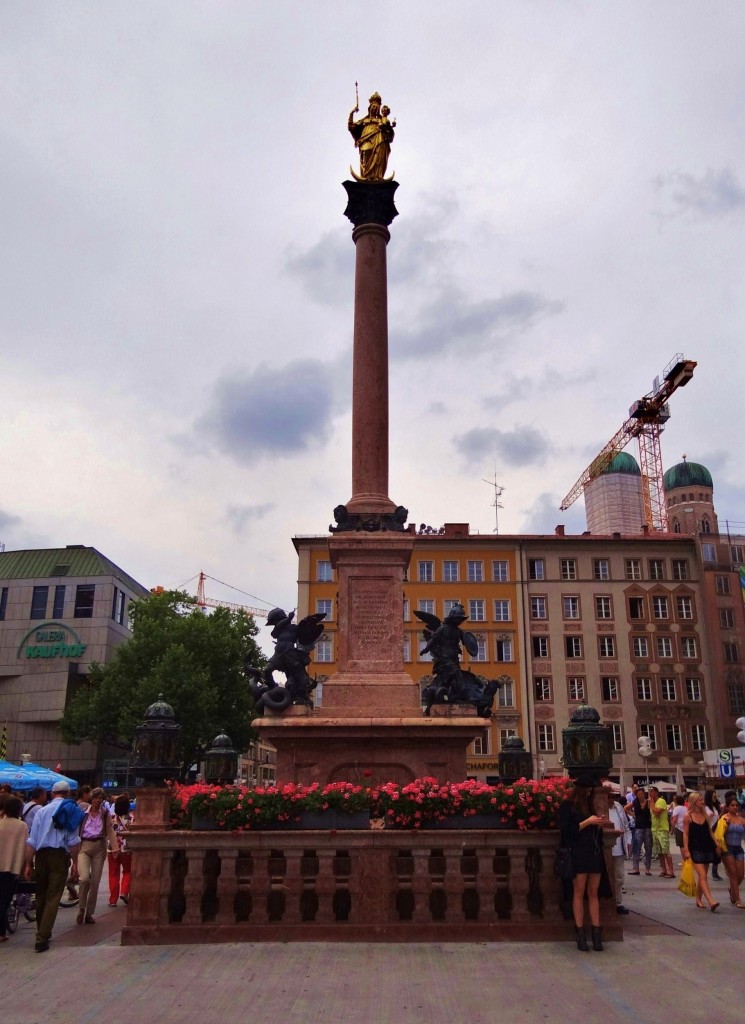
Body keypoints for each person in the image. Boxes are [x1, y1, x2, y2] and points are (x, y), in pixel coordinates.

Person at [25, 780, 81, 952]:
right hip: (58, 855)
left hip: (41, 856)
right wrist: (76, 863)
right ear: (68, 793)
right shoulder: (71, 810)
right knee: (53, 896)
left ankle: (42, 931)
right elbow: (72, 841)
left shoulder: (41, 811)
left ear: (52, 793)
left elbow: (32, 840)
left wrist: (28, 863)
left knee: (41, 894)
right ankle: (42, 936)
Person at [559, 781, 609, 951]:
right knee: (579, 892)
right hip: (578, 853)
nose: (589, 792)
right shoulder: (567, 806)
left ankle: (596, 934)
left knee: (593, 893)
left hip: (593, 852)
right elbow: (568, 832)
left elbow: (597, 835)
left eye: (591, 790)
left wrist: (598, 824)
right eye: (587, 789)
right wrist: (588, 822)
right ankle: (580, 934)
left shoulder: (590, 806)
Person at [76, 787, 118, 925]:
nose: (98, 800)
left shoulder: (105, 813)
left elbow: (110, 830)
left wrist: (115, 847)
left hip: (99, 847)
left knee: (95, 882)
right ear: (91, 798)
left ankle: (89, 913)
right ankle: (81, 908)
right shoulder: (83, 813)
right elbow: (76, 830)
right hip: (84, 846)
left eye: (100, 798)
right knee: (84, 879)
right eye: (95, 797)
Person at [682, 790, 719, 912]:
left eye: (702, 799)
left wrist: (716, 843)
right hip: (695, 848)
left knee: (703, 876)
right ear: (694, 801)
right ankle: (710, 900)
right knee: (702, 875)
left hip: (707, 846)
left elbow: (710, 831)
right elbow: (685, 834)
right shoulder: (688, 816)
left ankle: (698, 898)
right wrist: (686, 850)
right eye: (700, 800)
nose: (702, 802)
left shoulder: (705, 815)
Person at [347, 91, 395, 181]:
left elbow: (391, 136)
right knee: (366, 155)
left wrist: (386, 129)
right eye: (373, 107)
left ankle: (377, 176)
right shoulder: (364, 120)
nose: (374, 109)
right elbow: (351, 127)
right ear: (369, 108)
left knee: (378, 156)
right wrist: (352, 113)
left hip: (380, 140)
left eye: (377, 107)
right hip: (366, 140)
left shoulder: (383, 120)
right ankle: (366, 176)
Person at [0, 796, 29, 943]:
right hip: (11, 867)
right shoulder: (21, 826)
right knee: (4, 901)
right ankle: (1, 933)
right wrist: (27, 866)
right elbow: (25, 849)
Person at [605, 786, 632, 915]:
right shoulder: (600, 807)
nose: (611, 799)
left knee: (619, 876)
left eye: (613, 796)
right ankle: (607, 901)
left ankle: (618, 902)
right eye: (608, 796)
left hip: (619, 849)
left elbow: (626, 825)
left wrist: (628, 841)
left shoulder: (618, 807)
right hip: (606, 848)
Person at [718, 794, 745, 907]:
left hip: (738, 847)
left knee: (740, 875)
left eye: (736, 805)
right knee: (733, 874)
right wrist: (727, 825)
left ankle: (732, 889)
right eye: (732, 805)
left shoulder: (742, 819)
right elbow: (720, 834)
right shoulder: (724, 818)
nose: (735, 807)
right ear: (728, 807)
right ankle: (738, 899)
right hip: (727, 848)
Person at [107, 795, 133, 906]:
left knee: (113, 874)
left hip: (112, 848)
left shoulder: (111, 818)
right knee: (128, 871)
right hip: (126, 848)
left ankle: (113, 900)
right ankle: (124, 891)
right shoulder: (131, 818)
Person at [625, 788, 652, 875]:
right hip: (638, 827)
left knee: (648, 848)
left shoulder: (648, 802)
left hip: (648, 827)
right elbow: (625, 808)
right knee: (637, 848)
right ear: (636, 795)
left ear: (645, 794)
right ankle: (636, 868)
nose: (641, 795)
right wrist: (633, 815)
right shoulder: (635, 802)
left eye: (642, 794)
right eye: (639, 794)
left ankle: (647, 868)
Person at [649, 786, 675, 878]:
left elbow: (656, 812)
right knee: (659, 852)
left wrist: (651, 804)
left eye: (652, 791)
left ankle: (671, 871)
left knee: (665, 850)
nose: (650, 793)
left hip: (662, 829)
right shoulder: (652, 802)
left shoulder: (661, 801)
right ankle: (664, 870)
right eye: (649, 792)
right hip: (654, 829)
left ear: (656, 792)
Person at [704, 789, 722, 879]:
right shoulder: (705, 807)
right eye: (713, 796)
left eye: (716, 796)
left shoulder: (715, 807)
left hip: (716, 831)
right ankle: (710, 873)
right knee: (712, 852)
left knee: (717, 852)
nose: (715, 797)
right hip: (709, 832)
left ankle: (714, 872)